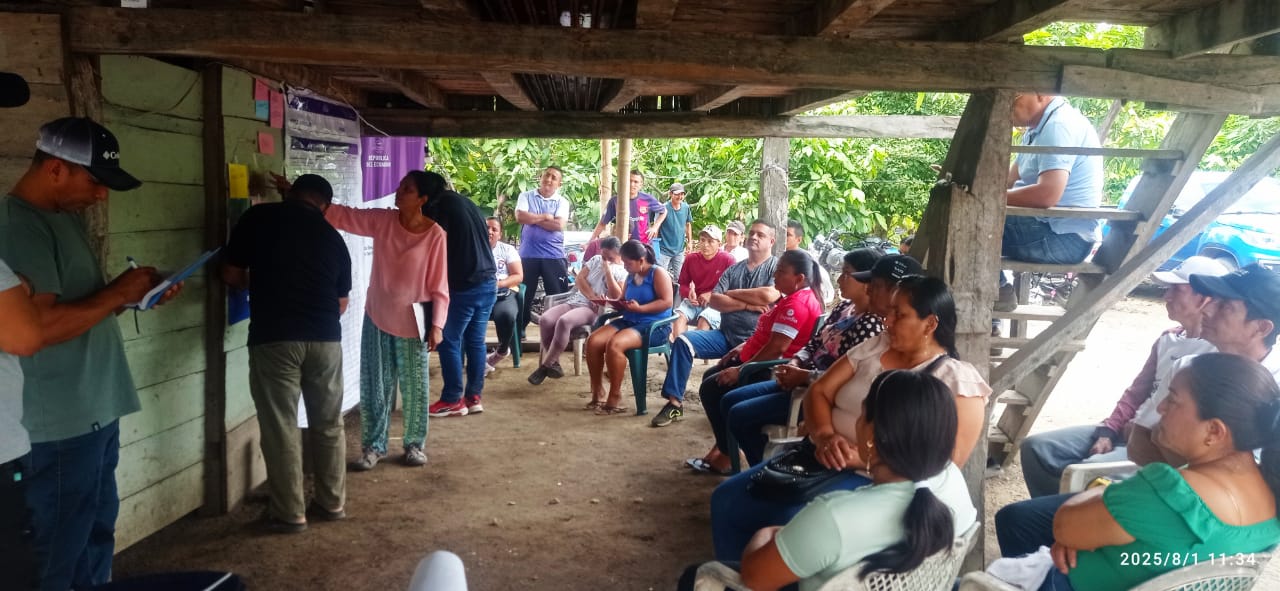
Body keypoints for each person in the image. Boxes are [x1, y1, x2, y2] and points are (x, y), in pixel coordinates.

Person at [1, 117, 182, 591]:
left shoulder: (64, 218)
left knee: (94, 542)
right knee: (57, 559)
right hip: (57, 425)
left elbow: (83, 310)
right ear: (55, 169)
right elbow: (36, 329)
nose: (102, 195)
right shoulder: (18, 227)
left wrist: (133, 295)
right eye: (95, 181)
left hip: (95, 411)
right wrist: (117, 293)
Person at [995, 262, 1280, 562]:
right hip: (1170, 502)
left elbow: (1253, 482)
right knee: (1035, 518)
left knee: (1026, 522)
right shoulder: (1189, 366)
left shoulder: (1268, 391)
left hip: (1193, 518)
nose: (1208, 309)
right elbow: (1139, 441)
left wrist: (1171, 463)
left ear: (1262, 327)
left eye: (1225, 306)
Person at [709, 274, 991, 561]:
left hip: (874, 480)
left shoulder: (957, 382)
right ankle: (738, 572)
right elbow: (819, 390)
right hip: (818, 455)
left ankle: (769, 572)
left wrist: (864, 459)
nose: (887, 321)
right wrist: (825, 436)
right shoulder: (877, 345)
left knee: (788, 519)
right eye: (889, 312)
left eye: (899, 314)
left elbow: (945, 467)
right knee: (726, 499)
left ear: (930, 324)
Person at [996, 353, 1280, 591]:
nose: (1161, 407)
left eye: (1173, 399)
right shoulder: (1270, 494)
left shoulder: (1170, 491)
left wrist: (1083, 523)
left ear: (1214, 431)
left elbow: (1065, 526)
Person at [677, 370, 977, 591]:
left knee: (695, 575)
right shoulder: (954, 487)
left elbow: (756, 578)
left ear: (871, 437)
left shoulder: (834, 516)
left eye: (862, 415)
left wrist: (767, 533)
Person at [1017, 256, 1226, 498]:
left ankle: (1066, 514)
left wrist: (1143, 434)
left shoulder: (1215, 352)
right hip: (1127, 432)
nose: (1166, 296)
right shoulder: (1168, 338)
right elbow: (1137, 392)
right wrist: (1109, 429)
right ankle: (1052, 514)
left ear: (1203, 299)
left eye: (1176, 290)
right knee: (1036, 448)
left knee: (1087, 474)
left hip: (1154, 443)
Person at [221, 174, 352, 532]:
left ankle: (290, 513)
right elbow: (341, 303)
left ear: (291, 193)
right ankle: (332, 502)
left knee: (281, 426)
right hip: (326, 341)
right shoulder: (332, 237)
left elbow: (231, 273)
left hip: (275, 337)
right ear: (324, 206)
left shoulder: (258, 218)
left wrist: (264, 282)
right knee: (328, 424)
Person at [688, 248, 885, 473]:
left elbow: (846, 377)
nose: (840, 279)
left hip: (813, 394)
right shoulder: (844, 308)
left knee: (737, 411)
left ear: (868, 283)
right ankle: (748, 463)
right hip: (796, 378)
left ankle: (764, 471)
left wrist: (803, 376)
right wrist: (795, 363)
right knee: (727, 400)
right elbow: (813, 344)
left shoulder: (870, 325)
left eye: (847, 274)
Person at [325, 172, 449, 470]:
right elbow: (347, 216)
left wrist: (437, 326)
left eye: (408, 189)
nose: (399, 192)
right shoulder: (383, 221)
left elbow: (439, 286)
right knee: (375, 385)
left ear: (422, 199)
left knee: (415, 387)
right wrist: (309, 201)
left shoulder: (435, 235)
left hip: (413, 324)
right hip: (377, 316)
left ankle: (414, 445)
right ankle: (373, 447)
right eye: (401, 187)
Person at [687, 249, 823, 473]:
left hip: (768, 370)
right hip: (757, 360)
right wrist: (743, 347)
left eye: (781, 272)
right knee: (711, 376)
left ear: (799, 279)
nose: (775, 275)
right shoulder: (792, 298)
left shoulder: (796, 304)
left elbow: (777, 348)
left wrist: (741, 370)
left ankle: (728, 453)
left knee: (712, 388)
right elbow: (768, 337)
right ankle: (725, 447)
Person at [653, 221, 779, 428]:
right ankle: (674, 404)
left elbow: (768, 295)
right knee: (683, 341)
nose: (754, 237)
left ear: (771, 241)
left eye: (761, 235)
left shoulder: (776, 268)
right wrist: (747, 305)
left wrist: (732, 294)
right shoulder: (734, 269)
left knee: (719, 384)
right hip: (725, 335)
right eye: (752, 233)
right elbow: (716, 300)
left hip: (756, 342)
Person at [997, 94, 1103, 310]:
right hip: (1048, 229)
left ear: (1041, 93)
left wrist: (986, 198)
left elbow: (1047, 194)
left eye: (1014, 96)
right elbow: (1007, 181)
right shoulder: (1037, 129)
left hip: (1062, 239)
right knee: (968, 216)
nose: (1006, 103)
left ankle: (998, 291)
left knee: (967, 224)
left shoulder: (1058, 126)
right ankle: (996, 298)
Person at [419, 171, 499, 418]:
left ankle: (452, 398)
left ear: (425, 194)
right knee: (475, 341)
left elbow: (432, 243)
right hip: (488, 282)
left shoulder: (439, 207)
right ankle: (473, 397)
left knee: (449, 340)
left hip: (465, 285)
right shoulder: (465, 202)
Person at [584, 240, 674, 414]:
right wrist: (610, 302)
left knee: (615, 344)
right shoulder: (631, 275)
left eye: (628, 263)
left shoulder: (658, 273)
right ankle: (597, 391)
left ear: (641, 260)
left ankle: (615, 396)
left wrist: (641, 309)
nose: (625, 267)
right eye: (623, 263)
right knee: (593, 341)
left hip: (654, 326)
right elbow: (623, 300)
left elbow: (667, 302)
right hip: (630, 320)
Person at [528, 236, 628, 385]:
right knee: (545, 319)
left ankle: (545, 366)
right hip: (576, 301)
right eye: (603, 256)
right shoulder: (595, 260)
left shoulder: (622, 271)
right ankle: (554, 362)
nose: (605, 260)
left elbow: (617, 295)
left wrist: (608, 271)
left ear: (619, 255)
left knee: (564, 321)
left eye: (610, 258)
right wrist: (591, 295)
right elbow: (580, 279)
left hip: (593, 309)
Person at [515, 166, 571, 336]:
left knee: (557, 295)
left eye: (554, 177)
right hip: (527, 255)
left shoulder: (562, 202)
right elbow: (520, 217)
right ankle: (520, 329)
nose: (549, 179)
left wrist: (532, 218)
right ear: (540, 177)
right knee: (523, 294)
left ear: (559, 184)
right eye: (547, 175)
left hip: (553, 256)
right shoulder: (526, 196)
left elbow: (558, 225)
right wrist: (546, 217)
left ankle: (557, 331)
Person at [672, 225, 735, 339]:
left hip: (717, 303)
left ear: (719, 244)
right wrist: (689, 293)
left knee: (704, 320)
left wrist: (712, 295)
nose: (705, 245)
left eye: (710, 241)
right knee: (678, 318)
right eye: (702, 240)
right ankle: (679, 346)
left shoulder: (728, 260)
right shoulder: (691, 258)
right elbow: (683, 284)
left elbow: (734, 288)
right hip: (696, 301)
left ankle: (696, 346)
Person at [485, 217, 525, 374]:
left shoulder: (507, 250)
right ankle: (478, 359)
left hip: (503, 293)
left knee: (506, 314)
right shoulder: (472, 248)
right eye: (486, 228)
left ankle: (501, 351)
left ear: (500, 234)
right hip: (479, 294)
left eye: (494, 229)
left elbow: (518, 276)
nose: (490, 231)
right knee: (467, 316)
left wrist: (499, 284)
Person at [589, 170, 666, 244]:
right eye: (630, 181)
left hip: (643, 245)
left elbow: (664, 211)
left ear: (641, 184)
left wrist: (655, 227)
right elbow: (602, 223)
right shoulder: (615, 201)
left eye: (636, 182)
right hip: (622, 245)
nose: (632, 184)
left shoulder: (648, 199)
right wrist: (589, 242)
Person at [784, 219, 833, 304]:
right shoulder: (778, 255)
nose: (783, 237)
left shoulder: (805, 260)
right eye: (782, 233)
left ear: (798, 240)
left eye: (788, 235)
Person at [655, 182, 693, 281]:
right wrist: (655, 248)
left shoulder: (686, 208)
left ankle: (676, 292)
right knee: (661, 278)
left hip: (679, 250)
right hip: (663, 249)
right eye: (677, 194)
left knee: (680, 278)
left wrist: (690, 242)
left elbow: (688, 224)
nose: (680, 197)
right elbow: (656, 227)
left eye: (682, 194)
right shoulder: (663, 208)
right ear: (670, 194)